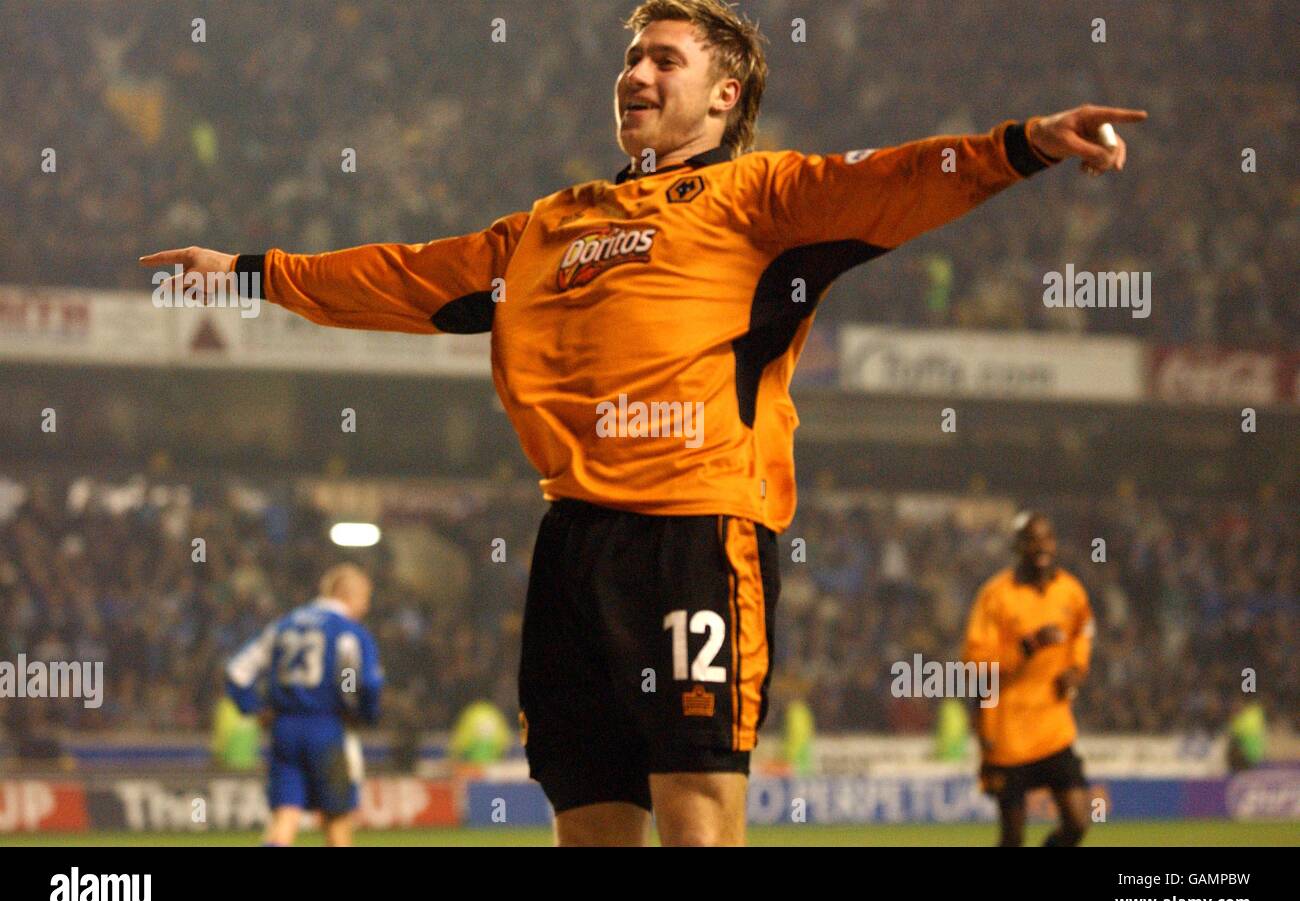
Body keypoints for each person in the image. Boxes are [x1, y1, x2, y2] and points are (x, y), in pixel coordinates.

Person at [143, 0, 1144, 846]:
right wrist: (251, 272)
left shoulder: (763, 196)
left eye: (665, 58)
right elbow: (406, 275)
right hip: (572, 542)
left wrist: (1022, 145)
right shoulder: (549, 224)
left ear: (725, 95)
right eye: (630, 56)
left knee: (697, 818)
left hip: (697, 534)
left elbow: (897, 176)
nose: (635, 72)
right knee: (587, 824)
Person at [225, 563, 383, 846]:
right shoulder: (348, 632)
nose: (366, 607)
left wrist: (256, 708)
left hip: (284, 729)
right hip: (327, 727)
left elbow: (237, 671)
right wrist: (362, 713)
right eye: (365, 599)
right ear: (349, 594)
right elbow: (364, 683)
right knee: (336, 819)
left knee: (285, 816)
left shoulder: (284, 625)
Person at [962, 512, 1096, 846]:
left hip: (1053, 728)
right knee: (1013, 838)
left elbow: (1084, 632)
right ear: (1017, 546)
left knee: (1079, 822)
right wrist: (1027, 645)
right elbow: (975, 662)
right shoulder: (996, 595)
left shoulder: (1070, 590)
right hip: (1008, 733)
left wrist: (1076, 669)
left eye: (1047, 537)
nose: (1042, 546)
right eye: (1032, 539)